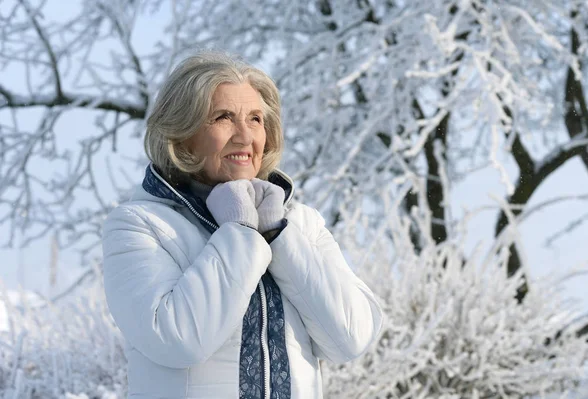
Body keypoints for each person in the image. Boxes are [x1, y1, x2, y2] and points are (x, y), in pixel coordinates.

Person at [102, 51, 383, 399]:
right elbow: (177, 340)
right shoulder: (139, 226)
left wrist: (279, 235)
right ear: (183, 134)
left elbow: (352, 338)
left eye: (255, 119)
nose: (244, 136)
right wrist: (241, 232)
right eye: (223, 118)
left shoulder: (301, 224)